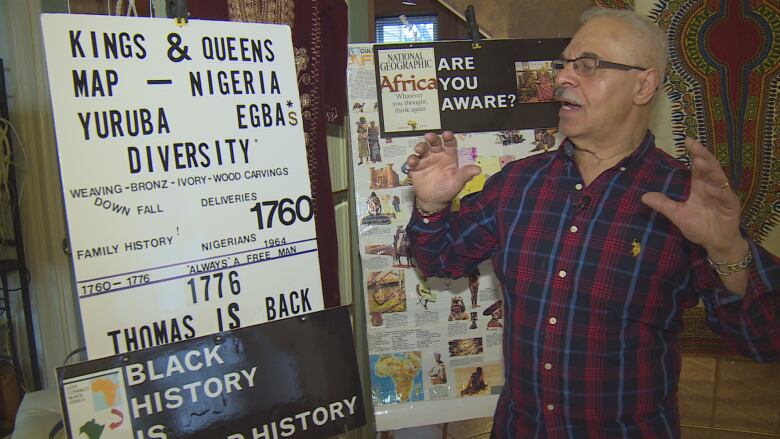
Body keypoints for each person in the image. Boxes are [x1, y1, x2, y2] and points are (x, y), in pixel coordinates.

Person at [405, 7, 779, 439]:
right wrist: (432, 207)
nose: (563, 78)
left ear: (643, 85)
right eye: (563, 65)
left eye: (587, 66)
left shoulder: (685, 200)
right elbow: (439, 258)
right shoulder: (520, 183)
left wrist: (728, 250)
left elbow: (763, 340)